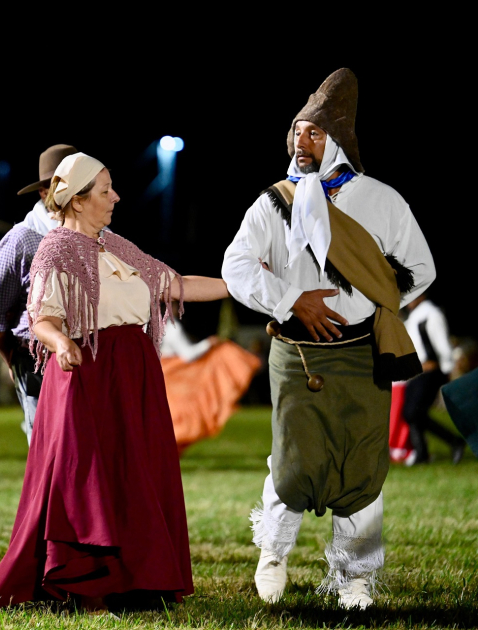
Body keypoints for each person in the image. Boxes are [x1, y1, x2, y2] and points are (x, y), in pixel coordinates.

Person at [0, 153, 228, 612]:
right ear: (78, 199)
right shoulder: (55, 249)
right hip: (87, 373)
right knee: (84, 479)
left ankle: (137, 580)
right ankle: (82, 580)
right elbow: (41, 315)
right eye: (106, 190)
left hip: (133, 373)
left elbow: (175, 285)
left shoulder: (117, 246)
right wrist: (59, 343)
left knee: (132, 474)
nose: (116, 197)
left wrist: (240, 287)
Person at [222, 68, 435, 609]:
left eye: (313, 133)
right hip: (296, 352)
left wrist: (374, 304)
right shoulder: (273, 201)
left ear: (336, 140)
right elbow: (236, 266)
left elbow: (420, 268)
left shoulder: (382, 200)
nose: (301, 142)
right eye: (296, 132)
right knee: (292, 461)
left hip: (362, 352)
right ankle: (274, 553)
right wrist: (292, 300)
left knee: (362, 464)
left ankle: (354, 575)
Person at [0, 144, 77, 444]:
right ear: (44, 192)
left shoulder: (100, 235)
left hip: (89, 359)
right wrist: (13, 359)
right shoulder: (21, 240)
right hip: (38, 362)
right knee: (50, 451)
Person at [158, 318, 260, 453]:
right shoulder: (171, 327)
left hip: (161, 373)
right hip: (177, 376)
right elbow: (188, 354)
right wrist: (208, 343)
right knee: (180, 416)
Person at [402, 294, 465, 464]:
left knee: (414, 412)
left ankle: (454, 441)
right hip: (417, 372)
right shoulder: (414, 317)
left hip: (431, 370)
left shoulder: (431, 314)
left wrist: (446, 370)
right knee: (410, 413)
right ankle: (422, 454)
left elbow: (443, 345)